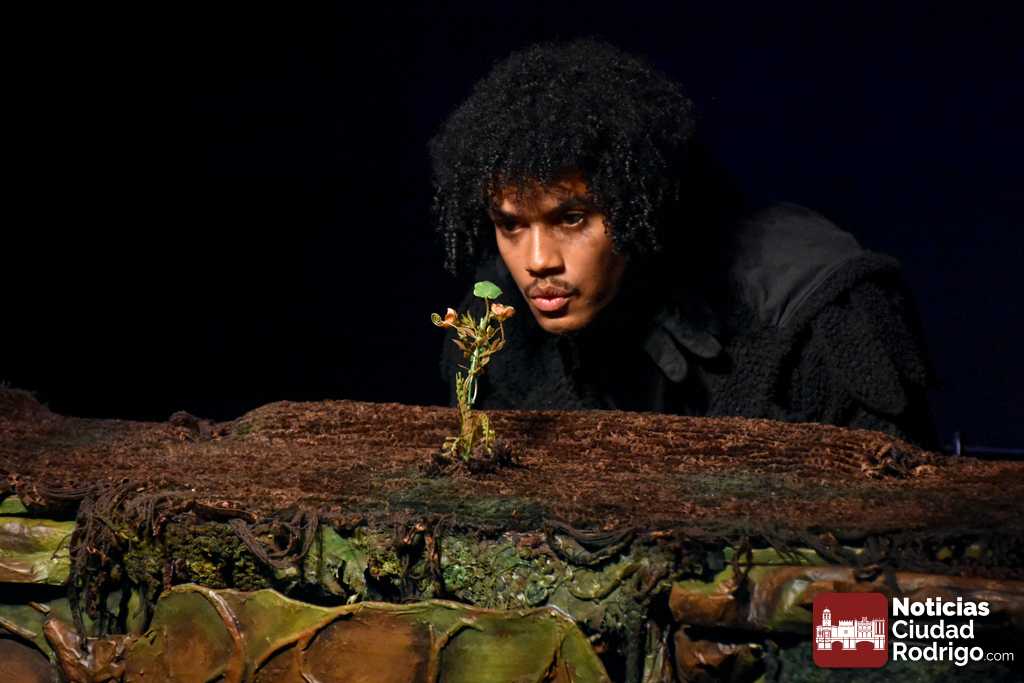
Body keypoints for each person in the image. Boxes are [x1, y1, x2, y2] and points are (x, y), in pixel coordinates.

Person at [428, 38, 939, 450]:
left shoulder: (805, 300)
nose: (538, 261)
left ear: (637, 201)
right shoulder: (493, 328)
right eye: (511, 225)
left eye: (573, 218)